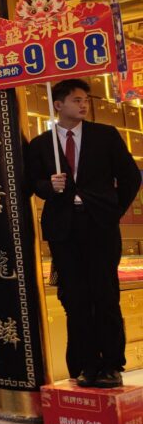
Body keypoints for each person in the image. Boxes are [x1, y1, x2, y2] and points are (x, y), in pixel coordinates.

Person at [27, 78, 142, 388]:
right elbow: (31, 183)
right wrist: (49, 186)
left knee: (105, 295)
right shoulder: (41, 144)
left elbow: (131, 177)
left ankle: (111, 364)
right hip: (64, 229)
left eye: (85, 100)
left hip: (100, 226)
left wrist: (112, 209)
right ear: (58, 104)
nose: (84, 105)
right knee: (74, 298)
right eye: (77, 100)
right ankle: (84, 364)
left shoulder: (105, 136)